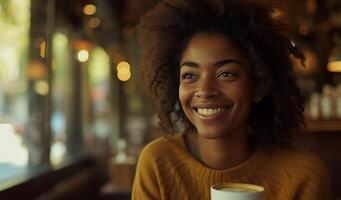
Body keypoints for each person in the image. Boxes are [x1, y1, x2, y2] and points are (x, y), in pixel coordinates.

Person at [132, 0, 331, 199]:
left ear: (259, 86)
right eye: (190, 76)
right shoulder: (158, 163)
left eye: (226, 74)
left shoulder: (302, 175)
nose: (205, 90)